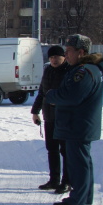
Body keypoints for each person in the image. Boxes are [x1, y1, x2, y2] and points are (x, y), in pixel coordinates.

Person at [45, 34, 103, 205]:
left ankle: (77, 199)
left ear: (81, 52)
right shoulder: (86, 69)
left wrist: (51, 96)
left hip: (77, 125)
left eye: (69, 51)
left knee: (78, 163)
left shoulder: (84, 71)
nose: (66, 54)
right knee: (83, 162)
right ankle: (84, 197)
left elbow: (71, 96)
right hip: (79, 124)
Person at [30, 45, 70, 192]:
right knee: (51, 149)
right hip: (49, 117)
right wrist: (35, 111)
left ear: (63, 57)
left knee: (65, 151)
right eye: (51, 57)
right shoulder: (48, 70)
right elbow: (42, 92)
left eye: (56, 57)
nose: (53, 60)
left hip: (64, 117)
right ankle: (54, 180)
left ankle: (66, 181)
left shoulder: (69, 71)